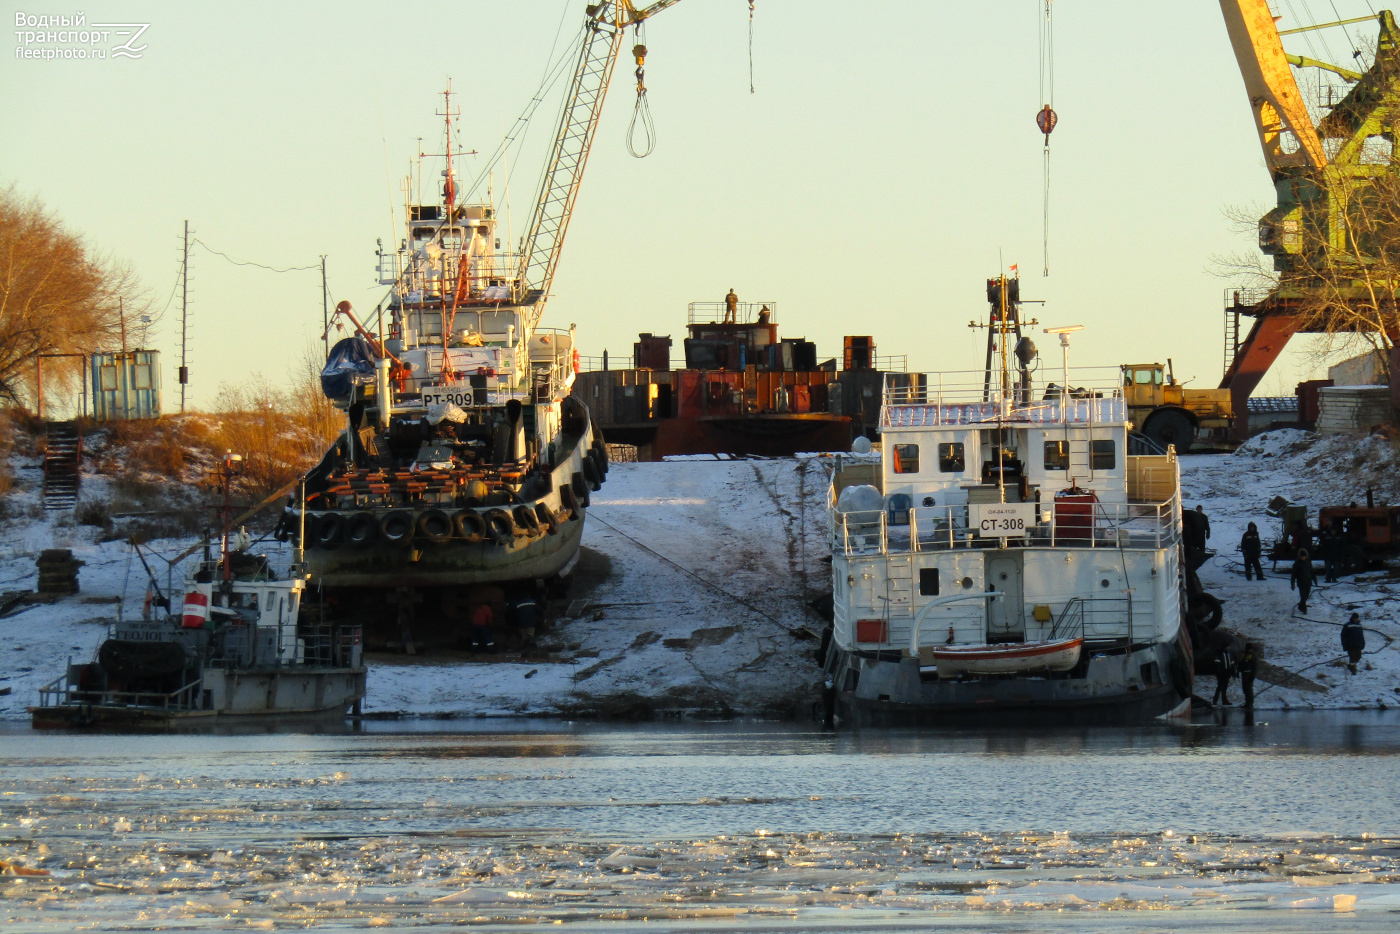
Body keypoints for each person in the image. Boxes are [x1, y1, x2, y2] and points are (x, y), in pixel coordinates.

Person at [1290, 548, 1314, 613]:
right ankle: (1304, 609)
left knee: (1306, 595)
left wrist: (1315, 579)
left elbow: (1312, 572)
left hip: (1308, 582)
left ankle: (1301, 605)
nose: (1303, 558)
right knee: (1303, 596)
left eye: (1304, 556)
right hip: (1301, 582)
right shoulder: (1297, 564)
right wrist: (1292, 583)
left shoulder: (1308, 563)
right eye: (1302, 556)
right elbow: (1293, 575)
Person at [1213, 641, 1236, 707]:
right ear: (1225, 647)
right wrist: (1219, 672)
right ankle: (1215, 700)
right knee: (1220, 687)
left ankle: (1224, 700)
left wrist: (1233, 672)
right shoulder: (1219, 654)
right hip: (1221, 673)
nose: (1229, 648)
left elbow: (1232, 663)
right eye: (1228, 646)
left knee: (1224, 687)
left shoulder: (1229, 654)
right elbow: (1217, 664)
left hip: (1227, 673)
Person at [1238, 642, 1259, 709]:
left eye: (1249, 649)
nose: (1248, 650)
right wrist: (1238, 671)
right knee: (1245, 689)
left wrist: (1253, 676)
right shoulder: (1243, 654)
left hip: (1249, 674)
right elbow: (1240, 663)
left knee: (1249, 690)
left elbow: (1255, 667)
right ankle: (1247, 703)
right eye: (1248, 648)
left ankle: (1250, 704)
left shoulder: (1252, 656)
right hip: (1244, 674)